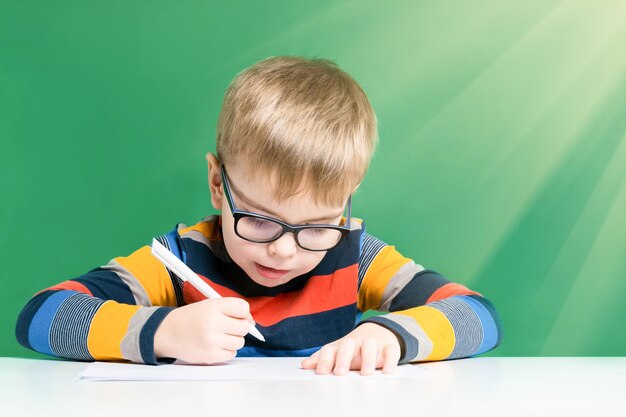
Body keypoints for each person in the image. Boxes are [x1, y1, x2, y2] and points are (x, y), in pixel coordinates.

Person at [16, 56, 502, 375]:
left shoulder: (354, 255)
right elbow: (41, 316)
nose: (284, 249)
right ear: (216, 184)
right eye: (260, 219)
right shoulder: (182, 257)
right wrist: (166, 332)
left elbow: (479, 315)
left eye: (315, 226)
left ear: (347, 203)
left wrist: (391, 335)